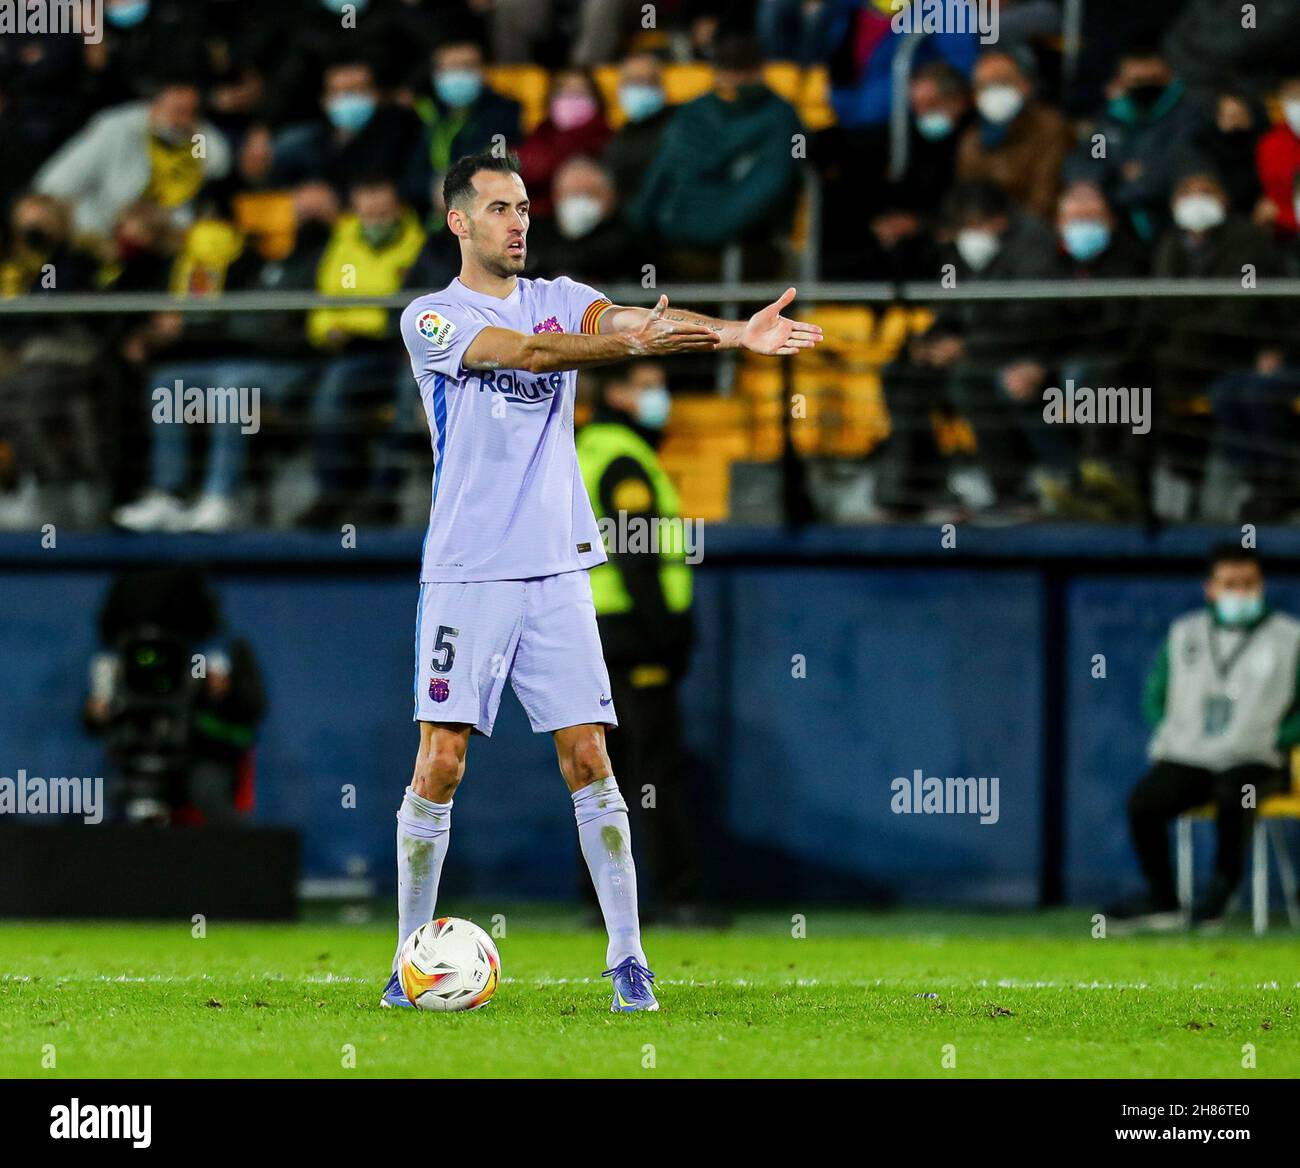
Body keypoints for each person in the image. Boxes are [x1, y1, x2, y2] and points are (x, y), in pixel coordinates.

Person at [386, 148, 822, 1013]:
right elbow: (533, 356)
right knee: (440, 763)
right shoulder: (430, 318)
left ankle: (628, 962)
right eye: (501, 209)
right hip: (468, 570)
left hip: (556, 569)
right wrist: (618, 342)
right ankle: (407, 962)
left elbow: (634, 320)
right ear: (459, 222)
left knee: (590, 759)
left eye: (524, 208)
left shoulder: (559, 292)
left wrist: (735, 333)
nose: (520, 223)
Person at [1110, 545, 1300, 930]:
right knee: (1143, 803)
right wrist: (1174, 733)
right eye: (1230, 583)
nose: (1240, 591)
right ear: (1210, 589)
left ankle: (1221, 890)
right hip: (1193, 756)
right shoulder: (1185, 633)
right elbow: (1155, 695)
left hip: (1257, 757)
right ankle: (1162, 898)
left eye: (1248, 583)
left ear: (1261, 585)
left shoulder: (1289, 638)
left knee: (1236, 793)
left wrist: (1280, 739)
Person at [576, 361, 705, 923]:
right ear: (619, 393)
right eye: (649, 387)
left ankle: (601, 903)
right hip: (633, 635)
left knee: (603, 772)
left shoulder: (587, 448)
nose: (661, 398)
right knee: (653, 771)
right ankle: (675, 896)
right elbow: (636, 556)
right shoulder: (623, 457)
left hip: (594, 633)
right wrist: (668, 635)